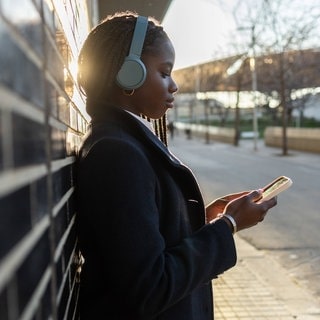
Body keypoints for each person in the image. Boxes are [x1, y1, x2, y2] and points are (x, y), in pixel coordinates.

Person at [76, 11, 277, 320]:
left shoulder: (120, 142)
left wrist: (195, 219)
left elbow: (143, 242)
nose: (175, 86)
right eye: (165, 72)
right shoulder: (117, 153)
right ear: (130, 73)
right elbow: (150, 287)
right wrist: (230, 225)